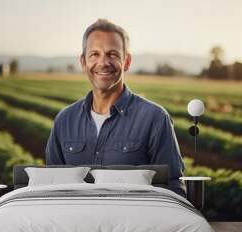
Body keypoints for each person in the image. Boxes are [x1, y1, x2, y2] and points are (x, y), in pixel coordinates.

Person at [45, 19, 186, 196]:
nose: (103, 63)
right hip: (76, 223)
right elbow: (51, 188)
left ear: (126, 61)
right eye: (94, 54)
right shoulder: (64, 120)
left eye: (112, 54)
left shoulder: (155, 119)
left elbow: (173, 189)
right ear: (83, 62)